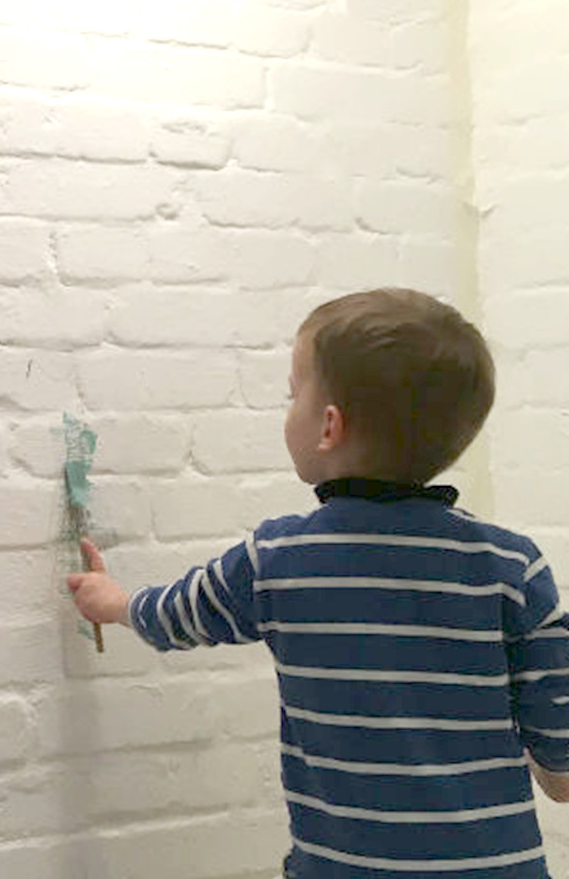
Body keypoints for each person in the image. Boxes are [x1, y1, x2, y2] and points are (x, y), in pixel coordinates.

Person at [69, 288, 569, 878]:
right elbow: (559, 750)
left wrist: (115, 602)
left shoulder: (278, 558)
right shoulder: (511, 567)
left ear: (329, 426)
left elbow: (180, 614)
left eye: (292, 395)